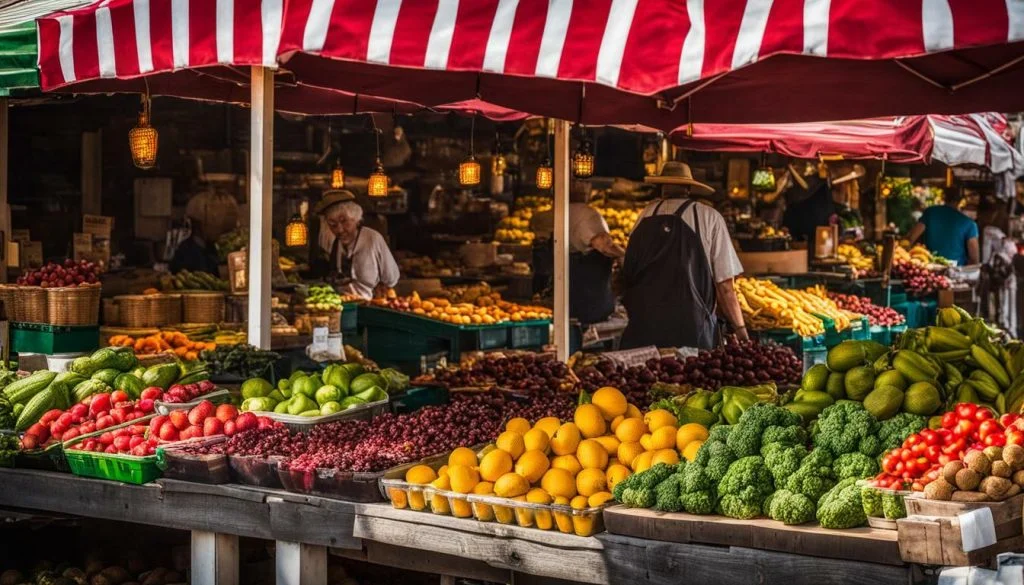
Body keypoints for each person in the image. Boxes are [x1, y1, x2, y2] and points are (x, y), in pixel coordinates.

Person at [618, 162, 747, 349]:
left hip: (646, 325)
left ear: (662, 187)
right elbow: (725, 285)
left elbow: (628, 272)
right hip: (692, 328)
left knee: (650, 376)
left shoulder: (644, 215)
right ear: (688, 188)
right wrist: (740, 328)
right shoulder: (709, 217)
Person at [530, 181, 626, 325]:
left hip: (558, 297)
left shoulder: (545, 216)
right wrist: (624, 256)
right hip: (589, 300)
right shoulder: (588, 215)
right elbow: (604, 245)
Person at [312, 190, 400, 299]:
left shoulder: (372, 239)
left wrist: (381, 289)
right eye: (333, 225)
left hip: (369, 306)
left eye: (344, 221)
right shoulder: (336, 244)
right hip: (343, 305)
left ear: (356, 219)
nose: (339, 230)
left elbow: (391, 278)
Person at [907, 191, 980, 266]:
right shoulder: (970, 224)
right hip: (956, 271)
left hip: (929, 267)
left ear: (944, 198)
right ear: (960, 201)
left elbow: (911, 238)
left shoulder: (930, 212)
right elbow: (974, 259)